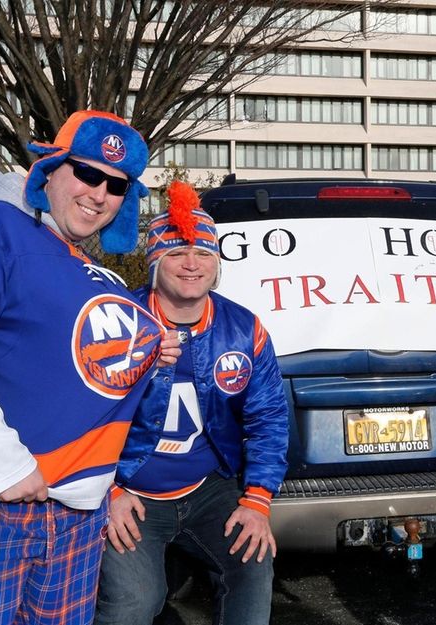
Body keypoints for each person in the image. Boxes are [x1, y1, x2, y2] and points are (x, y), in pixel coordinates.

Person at [0, 110, 181, 624]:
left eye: (116, 187)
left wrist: (147, 351)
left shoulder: (93, 270)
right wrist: (5, 466)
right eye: (87, 173)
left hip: (74, 509)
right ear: (49, 169)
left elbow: (75, 362)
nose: (99, 194)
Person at [94, 181, 289, 625]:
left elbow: (268, 418)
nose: (191, 264)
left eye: (203, 253)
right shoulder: (115, 319)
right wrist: (108, 489)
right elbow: (79, 415)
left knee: (252, 564)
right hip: (130, 490)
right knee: (135, 601)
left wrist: (257, 499)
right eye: (177, 252)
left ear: (217, 266)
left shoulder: (244, 328)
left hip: (208, 487)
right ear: (155, 262)